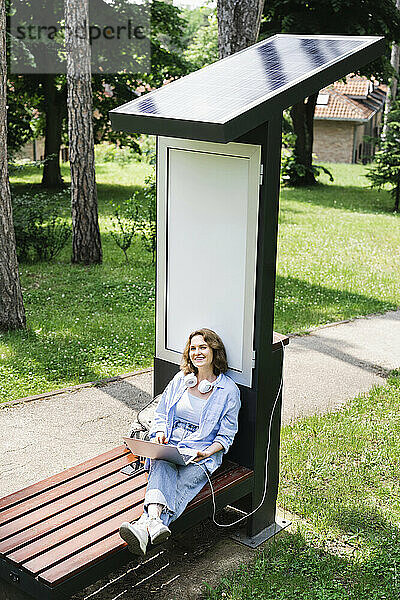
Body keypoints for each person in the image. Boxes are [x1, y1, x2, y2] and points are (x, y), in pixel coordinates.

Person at [119, 327, 241, 556]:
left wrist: (207, 452)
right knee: (163, 461)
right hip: (172, 445)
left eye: (203, 347)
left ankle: (143, 526)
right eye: (193, 348)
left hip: (200, 453)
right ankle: (155, 524)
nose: (197, 352)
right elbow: (162, 415)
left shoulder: (228, 391)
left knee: (179, 485)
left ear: (214, 351)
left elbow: (226, 436)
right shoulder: (180, 380)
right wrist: (158, 434)